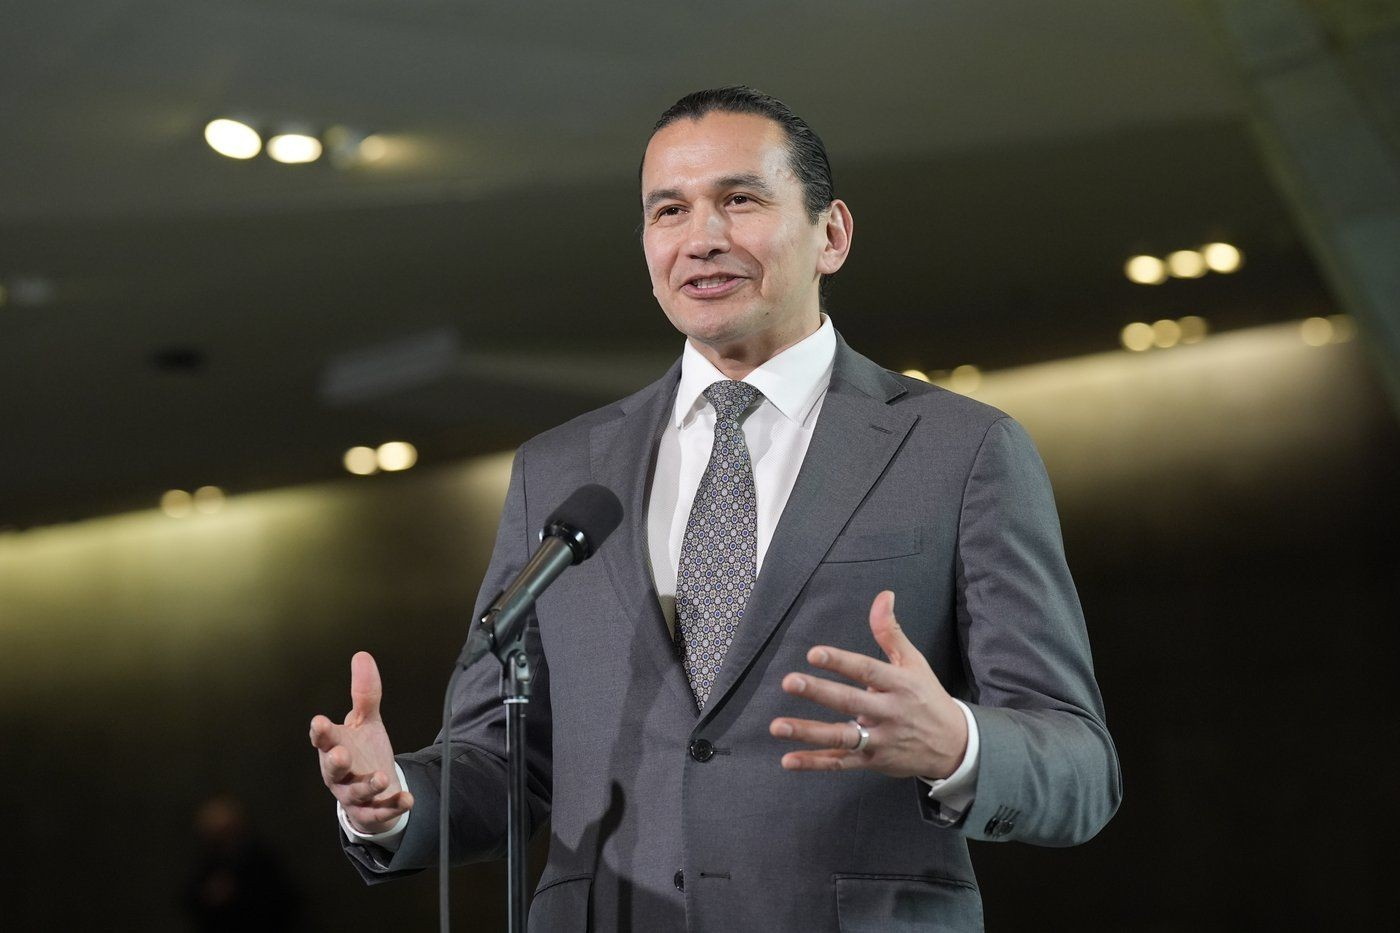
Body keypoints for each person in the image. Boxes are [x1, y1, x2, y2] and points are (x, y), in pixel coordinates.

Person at [309, 86, 1121, 931]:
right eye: (669, 211)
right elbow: (503, 763)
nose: (702, 238)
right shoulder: (557, 472)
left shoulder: (961, 452)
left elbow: (1081, 765)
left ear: (832, 233)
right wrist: (394, 798)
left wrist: (959, 742)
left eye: (739, 199)